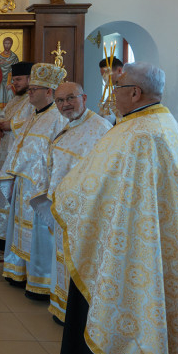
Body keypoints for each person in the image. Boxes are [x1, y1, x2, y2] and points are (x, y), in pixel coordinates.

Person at [53, 62, 178, 354]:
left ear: (135, 93)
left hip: (131, 246)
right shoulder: (165, 122)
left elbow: (93, 185)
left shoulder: (137, 133)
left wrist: (64, 194)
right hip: (154, 235)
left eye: (117, 88)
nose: (112, 95)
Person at [40, 82, 111, 325]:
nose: (65, 104)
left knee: (80, 260)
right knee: (63, 257)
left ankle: (78, 315)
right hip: (65, 208)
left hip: (85, 210)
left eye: (70, 98)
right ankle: (63, 307)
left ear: (84, 97)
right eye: (60, 100)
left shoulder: (99, 128)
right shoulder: (70, 125)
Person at [0, 62, 67, 300]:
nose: (29, 92)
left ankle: (41, 280)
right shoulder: (32, 117)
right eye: (30, 88)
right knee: (21, 231)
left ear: (49, 91)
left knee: (39, 233)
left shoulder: (58, 118)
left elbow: (59, 156)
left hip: (40, 188)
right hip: (23, 185)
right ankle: (20, 272)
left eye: (34, 89)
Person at [0, 62, 34, 249]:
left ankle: (13, 238)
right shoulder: (14, 100)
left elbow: (35, 123)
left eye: (19, 79)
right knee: (2, 193)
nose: (15, 83)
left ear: (30, 79)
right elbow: (0, 116)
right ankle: (1, 235)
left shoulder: (33, 100)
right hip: (6, 155)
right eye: (13, 80)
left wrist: (11, 125)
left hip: (21, 160)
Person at [97, 57, 123, 123]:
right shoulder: (113, 93)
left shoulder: (130, 92)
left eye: (107, 75)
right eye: (103, 76)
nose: (105, 79)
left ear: (119, 70)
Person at [0, 37, 20, 108]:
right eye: (5, 43)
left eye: (9, 43)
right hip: (0, 83)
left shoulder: (14, 57)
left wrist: (11, 83)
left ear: (11, 44)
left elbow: (16, 72)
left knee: (10, 99)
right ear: (3, 44)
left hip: (10, 83)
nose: (7, 45)